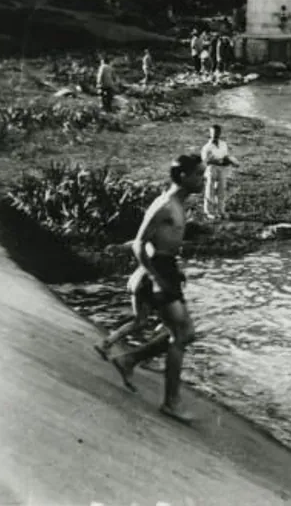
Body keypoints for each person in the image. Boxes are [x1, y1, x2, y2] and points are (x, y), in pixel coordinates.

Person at [105, 154, 205, 423]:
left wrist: (173, 271)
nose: (203, 179)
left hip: (167, 269)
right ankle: (171, 402)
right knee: (181, 334)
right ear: (183, 176)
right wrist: (155, 276)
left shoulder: (178, 204)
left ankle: (130, 360)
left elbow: (165, 243)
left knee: (183, 333)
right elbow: (139, 243)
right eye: (198, 174)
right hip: (158, 271)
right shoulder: (164, 205)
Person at [201, 124, 239, 220]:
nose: (215, 135)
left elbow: (226, 156)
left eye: (217, 132)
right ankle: (209, 212)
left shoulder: (223, 144)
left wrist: (231, 161)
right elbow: (206, 161)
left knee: (221, 189)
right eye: (213, 133)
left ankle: (221, 211)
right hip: (212, 168)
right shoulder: (207, 147)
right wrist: (217, 161)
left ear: (220, 133)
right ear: (210, 133)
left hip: (222, 169)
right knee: (210, 190)